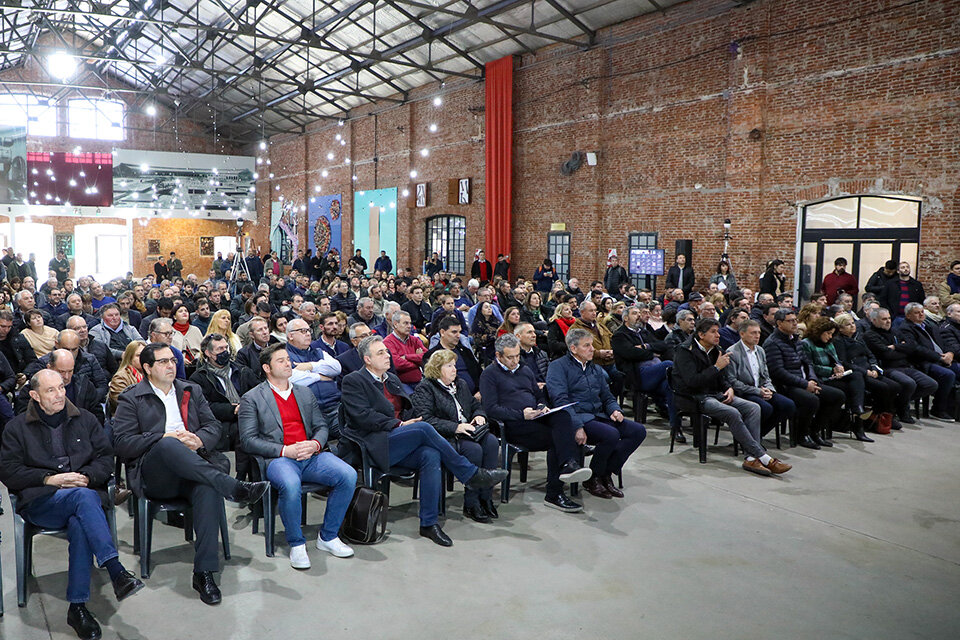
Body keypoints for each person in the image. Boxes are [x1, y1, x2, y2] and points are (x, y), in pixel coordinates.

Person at [113, 343, 270, 605]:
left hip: (195, 467)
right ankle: (232, 487)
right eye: (163, 362)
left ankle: (204, 572)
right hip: (155, 474)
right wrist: (164, 437)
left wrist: (197, 441)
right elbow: (122, 443)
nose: (171, 365)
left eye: (172, 361)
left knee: (207, 488)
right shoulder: (132, 397)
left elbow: (213, 427)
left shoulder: (190, 390)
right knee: (167, 444)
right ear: (148, 368)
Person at [0, 369, 144, 640]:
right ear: (35, 395)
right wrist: (50, 478)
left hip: (82, 499)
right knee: (83, 498)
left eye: (62, 388)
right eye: (51, 390)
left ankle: (77, 607)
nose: (60, 394)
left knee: (80, 519)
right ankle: (115, 569)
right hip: (41, 503)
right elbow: (8, 471)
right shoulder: (17, 427)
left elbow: (105, 458)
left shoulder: (84, 419)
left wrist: (87, 476)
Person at [339, 335, 507, 546]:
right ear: (367, 359)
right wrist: (400, 425)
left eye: (386, 351)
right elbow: (362, 416)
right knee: (424, 428)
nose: (387, 355)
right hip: (375, 445)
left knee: (431, 454)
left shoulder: (391, 378)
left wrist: (409, 421)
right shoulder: (354, 380)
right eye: (380, 352)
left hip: (400, 440)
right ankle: (470, 473)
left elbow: (406, 410)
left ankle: (429, 523)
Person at [238, 343, 357, 567]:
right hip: (279, 458)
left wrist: (314, 444)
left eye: (287, 359)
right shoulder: (252, 398)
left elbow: (321, 426)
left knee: (348, 475)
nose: (288, 363)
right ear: (266, 367)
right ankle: (297, 544)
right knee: (291, 485)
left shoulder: (304, 392)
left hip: (311, 455)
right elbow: (248, 440)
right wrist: (285, 450)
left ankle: (328, 536)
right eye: (280, 360)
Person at [673, 318, 791, 476]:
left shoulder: (716, 349)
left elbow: (722, 378)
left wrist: (728, 388)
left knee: (753, 407)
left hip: (716, 393)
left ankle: (750, 458)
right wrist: (716, 367)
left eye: (718, 332)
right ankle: (763, 457)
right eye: (713, 332)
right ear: (701, 334)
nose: (718, 335)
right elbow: (692, 381)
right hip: (695, 397)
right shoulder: (685, 350)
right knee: (732, 412)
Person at [545, 328, 645, 499]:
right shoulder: (558, 367)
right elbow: (561, 401)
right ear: (573, 348)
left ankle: (604, 473)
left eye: (592, 345)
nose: (593, 349)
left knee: (638, 431)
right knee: (611, 435)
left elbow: (607, 396)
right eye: (587, 346)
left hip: (599, 414)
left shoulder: (595, 369)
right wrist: (577, 426)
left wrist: (615, 409)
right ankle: (593, 477)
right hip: (577, 417)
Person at [411, 350, 499, 523]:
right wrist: (456, 427)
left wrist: (479, 415)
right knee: (474, 450)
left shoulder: (461, 384)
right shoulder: (425, 388)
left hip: (469, 430)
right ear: (437, 369)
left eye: (454, 365)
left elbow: (475, 405)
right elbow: (426, 420)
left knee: (491, 442)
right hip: (445, 437)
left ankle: (485, 497)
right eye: (449, 366)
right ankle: (471, 503)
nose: (454, 370)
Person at [764, 309, 846, 449]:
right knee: (811, 400)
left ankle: (815, 431)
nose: (795, 323)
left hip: (804, 381)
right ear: (779, 323)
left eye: (795, 320)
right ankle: (801, 435)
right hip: (786, 385)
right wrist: (804, 384)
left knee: (837, 396)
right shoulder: (773, 342)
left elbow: (807, 363)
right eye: (790, 321)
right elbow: (778, 371)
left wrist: (812, 379)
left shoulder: (795, 340)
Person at [191, 334, 260, 482]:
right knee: (244, 430)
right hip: (221, 422)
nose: (225, 352)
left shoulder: (242, 371)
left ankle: (251, 478)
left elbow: (259, 392)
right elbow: (204, 407)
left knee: (249, 427)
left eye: (226, 348)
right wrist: (232, 409)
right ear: (208, 353)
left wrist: (246, 407)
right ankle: (242, 477)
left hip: (248, 415)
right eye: (220, 349)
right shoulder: (199, 377)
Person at [799, 316, 873, 441]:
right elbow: (809, 366)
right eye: (828, 333)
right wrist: (830, 370)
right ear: (819, 331)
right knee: (850, 392)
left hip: (833, 377)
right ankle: (856, 422)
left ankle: (857, 412)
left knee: (857, 377)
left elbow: (836, 360)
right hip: (819, 378)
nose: (830, 337)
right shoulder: (806, 344)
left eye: (832, 334)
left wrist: (838, 367)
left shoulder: (829, 344)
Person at [725, 319, 798, 442]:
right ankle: (750, 439)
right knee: (765, 408)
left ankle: (756, 436)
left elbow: (766, 376)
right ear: (742, 334)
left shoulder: (760, 350)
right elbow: (733, 381)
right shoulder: (733, 352)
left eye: (758, 333)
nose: (757, 336)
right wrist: (757, 391)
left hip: (761, 389)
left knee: (788, 405)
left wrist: (769, 389)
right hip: (744, 392)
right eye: (753, 333)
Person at [863, 307, 936, 424]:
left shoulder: (895, 331)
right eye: (884, 319)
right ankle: (902, 409)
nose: (888, 321)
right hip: (887, 368)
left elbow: (912, 346)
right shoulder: (870, 335)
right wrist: (902, 350)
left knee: (931, 384)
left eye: (889, 318)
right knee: (909, 383)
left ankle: (898, 403)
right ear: (874, 320)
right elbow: (886, 355)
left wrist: (895, 347)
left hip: (905, 366)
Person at [832, 313, 903, 433]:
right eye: (847, 325)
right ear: (840, 328)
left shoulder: (859, 337)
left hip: (870, 369)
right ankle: (876, 417)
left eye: (853, 323)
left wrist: (874, 368)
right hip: (857, 372)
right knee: (883, 387)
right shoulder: (839, 341)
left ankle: (882, 414)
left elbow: (870, 355)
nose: (852, 326)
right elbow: (844, 362)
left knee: (895, 386)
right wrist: (866, 372)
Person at [611, 305, 677, 433]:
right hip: (638, 375)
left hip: (655, 373)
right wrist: (652, 353)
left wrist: (645, 346)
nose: (639, 316)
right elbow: (630, 353)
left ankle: (675, 427)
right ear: (625, 318)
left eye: (638, 313)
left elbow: (663, 345)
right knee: (669, 363)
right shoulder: (620, 335)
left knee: (671, 386)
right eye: (634, 314)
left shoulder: (643, 332)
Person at [897, 302, 958, 421]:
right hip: (924, 362)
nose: (921, 315)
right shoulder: (906, 328)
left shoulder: (929, 325)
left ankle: (952, 409)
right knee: (948, 375)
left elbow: (945, 342)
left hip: (942, 359)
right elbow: (916, 349)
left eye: (922, 312)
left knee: (955, 371)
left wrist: (950, 353)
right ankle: (938, 409)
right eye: (916, 313)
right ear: (908, 315)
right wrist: (939, 357)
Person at [284, 318, 342, 436]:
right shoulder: (283, 355)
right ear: (290, 335)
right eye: (303, 331)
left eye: (309, 330)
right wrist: (320, 377)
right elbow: (290, 377)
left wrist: (310, 366)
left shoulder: (318, 352)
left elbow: (336, 367)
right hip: (309, 413)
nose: (308, 334)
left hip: (335, 406)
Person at [16, 348, 105, 423]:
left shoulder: (84, 385)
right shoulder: (33, 389)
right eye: (61, 372)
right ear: (49, 367)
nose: (66, 377)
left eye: (70, 371)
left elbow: (97, 414)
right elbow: (23, 419)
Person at [571, 300, 623, 397]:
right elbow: (580, 349)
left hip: (609, 360)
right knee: (604, 378)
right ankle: (604, 404)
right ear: (582, 312)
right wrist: (599, 353)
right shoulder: (576, 328)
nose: (594, 313)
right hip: (591, 363)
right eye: (591, 311)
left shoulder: (599, 325)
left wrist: (612, 351)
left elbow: (612, 337)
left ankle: (613, 403)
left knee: (621, 376)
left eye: (595, 310)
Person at [424, 315, 482, 394]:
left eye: (459, 332)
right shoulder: (432, 356)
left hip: (476, 396)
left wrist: (479, 391)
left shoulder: (465, 351)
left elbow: (479, 373)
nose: (458, 335)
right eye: (454, 332)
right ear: (442, 332)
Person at [383, 310, 426, 392]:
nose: (409, 326)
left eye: (410, 323)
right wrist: (418, 362)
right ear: (395, 324)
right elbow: (396, 364)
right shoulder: (388, 342)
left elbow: (427, 358)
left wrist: (407, 357)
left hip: (420, 381)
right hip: (401, 384)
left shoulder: (414, 340)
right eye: (405, 323)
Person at [108, 340, 145, 416]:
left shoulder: (152, 374)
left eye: (145, 355)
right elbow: (121, 403)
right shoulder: (120, 377)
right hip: (127, 419)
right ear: (130, 357)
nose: (143, 358)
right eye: (138, 356)